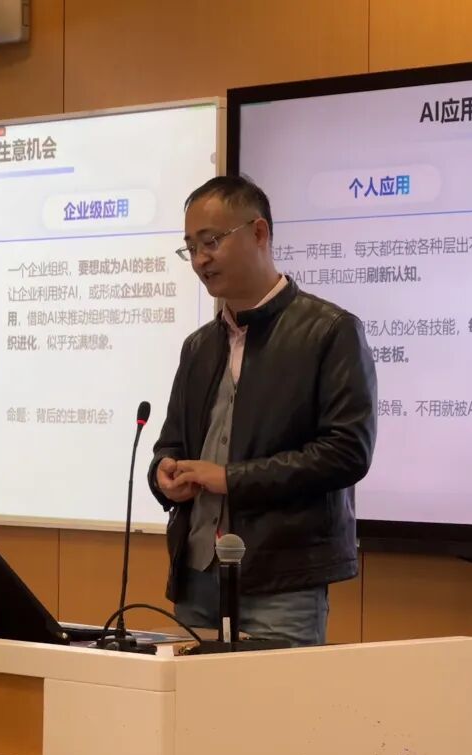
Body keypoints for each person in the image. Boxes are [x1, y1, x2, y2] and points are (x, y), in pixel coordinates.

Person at [147, 175, 377, 647]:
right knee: (192, 698)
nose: (200, 259)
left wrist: (230, 478)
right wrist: (163, 474)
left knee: (279, 697)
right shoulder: (199, 347)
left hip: (282, 581)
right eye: (190, 247)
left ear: (259, 233)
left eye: (211, 241)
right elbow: (171, 444)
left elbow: (347, 452)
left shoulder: (330, 331)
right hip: (197, 577)